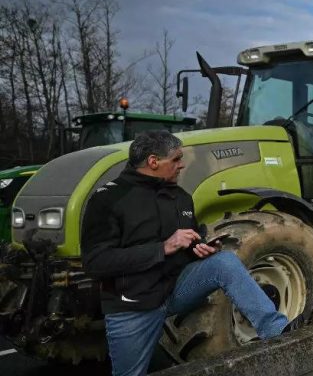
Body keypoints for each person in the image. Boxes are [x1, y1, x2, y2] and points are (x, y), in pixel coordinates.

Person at [81, 130, 299, 376]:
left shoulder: (181, 198)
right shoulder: (108, 199)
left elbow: (188, 242)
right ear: (153, 162)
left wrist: (200, 249)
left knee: (224, 262)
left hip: (175, 290)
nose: (181, 165)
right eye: (175, 159)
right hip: (133, 304)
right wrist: (163, 247)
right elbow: (95, 263)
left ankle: (278, 332)